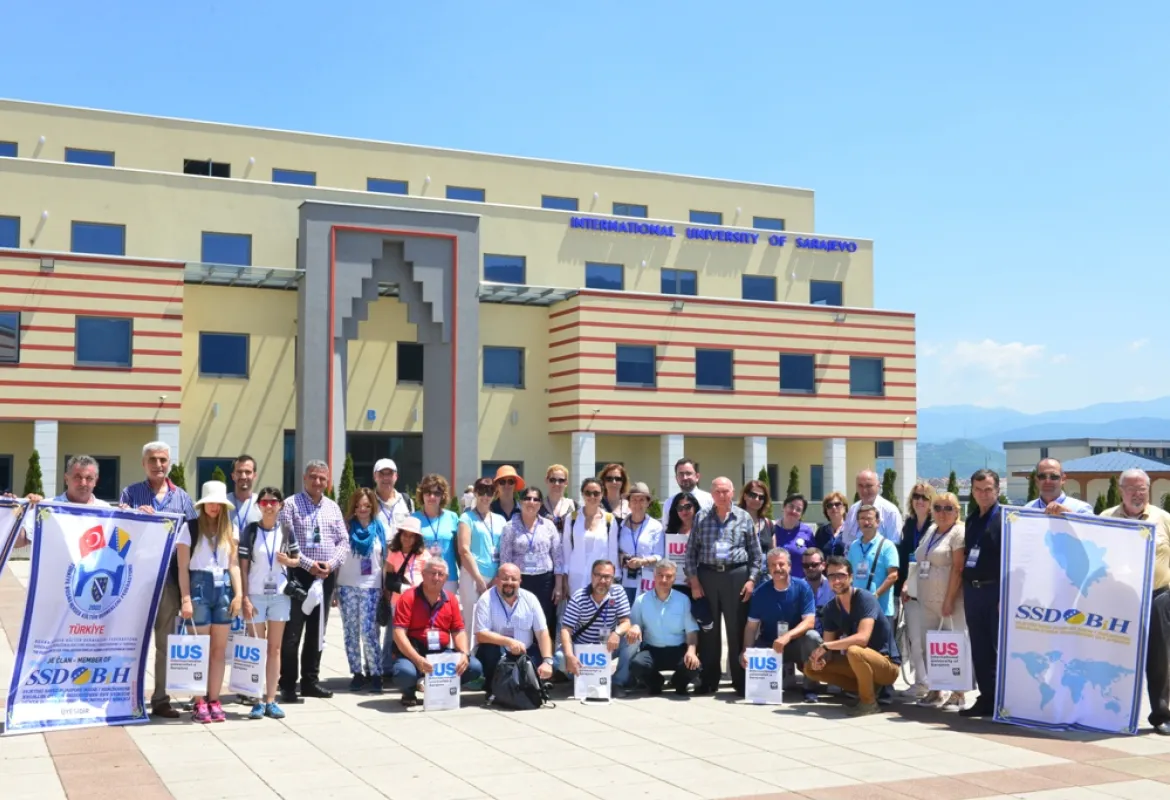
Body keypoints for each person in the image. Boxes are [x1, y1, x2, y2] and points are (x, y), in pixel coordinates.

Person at [119, 441, 198, 719]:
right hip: (136, 581)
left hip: (169, 581)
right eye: (152, 460)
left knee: (165, 644)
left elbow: (194, 538)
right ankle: (127, 698)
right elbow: (119, 531)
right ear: (144, 463)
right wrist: (133, 515)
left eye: (163, 460)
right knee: (132, 641)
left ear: (169, 463)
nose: (158, 465)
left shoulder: (183, 498)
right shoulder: (131, 493)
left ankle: (161, 699)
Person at [1101, 468, 1170, 735]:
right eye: (1131, 489)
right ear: (1121, 491)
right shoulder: (1106, 518)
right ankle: (1112, 713)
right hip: (1119, 599)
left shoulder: (1164, 519)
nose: (1137, 494)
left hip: (1158, 597)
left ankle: (1162, 714)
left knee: (1160, 659)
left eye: (1142, 489)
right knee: (1116, 657)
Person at [277, 460, 348, 704]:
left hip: (325, 576)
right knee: (293, 632)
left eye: (322, 478)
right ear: (304, 478)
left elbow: (343, 541)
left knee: (318, 632)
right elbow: (286, 541)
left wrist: (331, 564)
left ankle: (310, 681)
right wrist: (309, 565)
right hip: (299, 575)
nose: (318, 482)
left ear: (327, 481)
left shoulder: (332, 507)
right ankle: (287, 684)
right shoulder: (290, 505)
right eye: (313, 477)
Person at [685, 477, 765, 695]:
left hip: (736, 576)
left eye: (725, 491)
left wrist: (751, 580)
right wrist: (694, 580)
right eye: (717, 491)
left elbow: (756, 554)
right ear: (712, 494)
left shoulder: (744, 517)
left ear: (733, 493)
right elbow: (690, 552)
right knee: (708, 629)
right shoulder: (701, 517)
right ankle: (709, 680)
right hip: (707, 576)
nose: (721, 495)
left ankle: (740, 681)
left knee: (737, 628)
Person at [176, 481, 242, 723]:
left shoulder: (231, 529)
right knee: (199, 649)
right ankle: (199, 700)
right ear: (203, 505)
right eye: (210, 502)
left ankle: (214, 699)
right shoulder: (190, 528)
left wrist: (239, 594)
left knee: (218, 650)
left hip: (223, 588)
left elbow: (233, 565)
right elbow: (182, 568)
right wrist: (185, 599)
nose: (214, 507)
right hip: (199, 587)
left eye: (218, 503)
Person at [803, 556, 901, 716]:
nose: (836, 581)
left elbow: (862, 638)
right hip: (859, 663)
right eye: (832, 576)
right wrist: (819, 660)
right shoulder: (830, 608)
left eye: (841, 575)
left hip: (886, 665)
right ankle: (866, 688)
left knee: (854, 650)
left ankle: (868, 703)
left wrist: (826, 646)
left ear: (851, 577)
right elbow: (828, 649)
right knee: (810, 668)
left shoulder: (865, 598)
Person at [239, 486, 299, 720]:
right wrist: (244, 597)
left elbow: (297, 560)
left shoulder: (286, 530)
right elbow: (243, 567)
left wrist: (288, 561)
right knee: (256, 649)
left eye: (273, 502)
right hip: (255, 595)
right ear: (259, 506)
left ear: (281, 505)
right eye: (264, 502)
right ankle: (255, 699)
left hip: (280, 595)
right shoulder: (251, 531)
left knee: (274, 649)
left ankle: (271, 700)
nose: (269, 506)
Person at [390, 560, 483, 707]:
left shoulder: (451, 599)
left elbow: (458, 631)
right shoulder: (408, 597)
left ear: (446, 578)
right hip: (415, 651)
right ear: (423, 574)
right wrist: (417, 659)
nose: (436, 578)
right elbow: (398, 633)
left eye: (441, 574)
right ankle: (409, 691)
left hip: (441, 652)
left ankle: (440, 688)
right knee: (404, 673)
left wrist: (464, 654)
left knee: (474, 667)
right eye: (432, 573)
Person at [907, 491, 967, 709]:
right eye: (938, 508)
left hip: (949, 602)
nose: (942, 512)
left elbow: (958, 568)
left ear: (957, 511)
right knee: (930, 646)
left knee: (952, 647)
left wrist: (949, 600)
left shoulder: (959, 532)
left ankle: (958, 693)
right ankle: (935, 690)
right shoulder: (931, 530)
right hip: (926, 600)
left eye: (948, 508)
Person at [742, 549, 823, 703]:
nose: (777, 568)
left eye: (781, 564)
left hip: (795, 644)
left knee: (812, 637)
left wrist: (788, 636)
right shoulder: (760, 593)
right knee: (752, 665)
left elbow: (809, 622)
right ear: (768, 568)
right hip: (770, 645)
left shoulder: (802, 587)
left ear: (789, 566)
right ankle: (768, 687)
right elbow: (751, 627)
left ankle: (810, 688)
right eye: (773, 565)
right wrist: (745, 652)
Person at [959, 468, 1003, 717]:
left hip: (994, 591)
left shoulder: (1004, 519)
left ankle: (999, 699)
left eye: (988, 489)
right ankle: (986, 697)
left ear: (997, 490)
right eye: (978, 490)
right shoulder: (972, 519)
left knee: (996, 648)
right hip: (973, 592)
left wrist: (1004, 595)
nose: (983, 494)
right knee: (979, 647)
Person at [624, 560, 701, 695]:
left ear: (674, 578)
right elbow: (634, 624)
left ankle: (678, 682)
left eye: (669, 576)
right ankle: (656, 683)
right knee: (637, 665)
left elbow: (691, 632)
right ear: (654, 576)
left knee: (694, 666)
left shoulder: (683, 600)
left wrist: (692, 651)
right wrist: (634, 626)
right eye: (660, 575)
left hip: (677, 649)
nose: (664, 579)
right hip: (652, 649)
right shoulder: (641, 600)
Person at [499, 485, 564, 642]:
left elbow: (558, 556)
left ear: (540, 504)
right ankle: (522, 651)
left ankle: (544, 654)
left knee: (544, 619)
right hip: (520, 581)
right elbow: (505, 558)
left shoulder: (548, 526)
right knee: (521, 618)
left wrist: (558, 585)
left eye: (536, 499)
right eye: (527, 498)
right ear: (521, 502)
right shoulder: (510, 527)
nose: (531, 502)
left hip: (545, 581)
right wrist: (506, 582)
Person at [474, 563, 555, 687]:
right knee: (488, 650)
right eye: (505, 578)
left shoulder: (530, 598)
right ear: (496, 579)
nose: (509, 582)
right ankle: (493, 687)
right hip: (499, 653)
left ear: (520, 581)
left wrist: (547, 661)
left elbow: (542, 632)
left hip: (525, 652)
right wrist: (509, 642)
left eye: (514, 579)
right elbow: (481, 634)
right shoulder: (486, 599)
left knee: (541, 668)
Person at [338, 487, 386, 693]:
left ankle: (375, 672)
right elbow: (338, 556)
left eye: (366, 505)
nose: (362, 509)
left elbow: (384, 559)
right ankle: (357, 673)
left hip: (371, 586)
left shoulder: (379, 528)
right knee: (350, 631)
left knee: (368, 632)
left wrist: (385, 587)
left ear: (372, 506)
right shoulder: (346, 527)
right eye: (358, 506)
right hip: (346, 585)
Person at [13, 455, 110, 547]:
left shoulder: (107, 511)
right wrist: (15, 513)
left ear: (95, 481)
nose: (83, 483)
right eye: (77, 477)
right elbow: (18, 542)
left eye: (89, 478)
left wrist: (121, 517)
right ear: (66, 479)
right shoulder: (47, 509)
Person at [558, 559, 632, 677]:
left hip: (608, 647)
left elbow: (626, 622)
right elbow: (566, 630)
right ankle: (577, 677)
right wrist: (570, 655)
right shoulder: (579, 597)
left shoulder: (618, 592)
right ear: (592, 576)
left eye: (607, 577)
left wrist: (617, 633)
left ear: (613, 578)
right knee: (560, 658)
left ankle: (618, 681)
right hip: (582, 649)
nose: (602, 581)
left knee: (633, 640)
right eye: (598, 575)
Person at [898, 481, 935, 698]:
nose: (919, 501)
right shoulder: (909, 525)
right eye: (916, 496)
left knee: (930, 639)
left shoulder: (935, 525)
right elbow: (905, 558)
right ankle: (921, 682)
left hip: (930, 588)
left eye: (924, 497)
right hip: (910, 589)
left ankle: (934, 684)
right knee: (915, 639)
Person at [456, 477, 507, 634]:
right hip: (473, 577)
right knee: (472, 622)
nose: (486, 496)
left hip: (495, 578)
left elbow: (504, 550)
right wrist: (479, 580)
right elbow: (464, 550)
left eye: (490, 492)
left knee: (494, 622)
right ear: (476, 493)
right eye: (482, 492)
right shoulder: (466, 518)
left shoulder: (500, 520)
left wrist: (497, 578)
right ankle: (469, 650)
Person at [382, 517, 431, 673]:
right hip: (398, 601)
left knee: (416, 633)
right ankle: (387, 667)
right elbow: (389, 581)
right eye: (405, 534)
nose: (407, 539)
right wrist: (405, 589)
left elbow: (429, 578)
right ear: (400, 535)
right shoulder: (393, 553)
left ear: (417, 538)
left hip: (418, 601)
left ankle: (416, 663)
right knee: (394, 634)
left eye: (411, 536)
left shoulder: (424, 555)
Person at [562, 477, 618, 597]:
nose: (592, 496)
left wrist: (613, 578)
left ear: (602, 495)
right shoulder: (572, 518)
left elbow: (613, 552)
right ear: (583, 494)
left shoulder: (609, 519)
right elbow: (566, 549)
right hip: (576, 577)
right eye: (588, 493)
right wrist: (565, 577)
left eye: (596, 493)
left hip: (601, 578)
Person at [847, 504, 900, 626]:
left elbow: (893, 576)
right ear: (858, 522)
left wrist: (876, 595)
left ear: (877, 522)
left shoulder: (887, 546)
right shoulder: (854, 546)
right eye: (862, 518)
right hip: (859, 608)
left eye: (869, 518)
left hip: (881, 609)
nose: (866, 522)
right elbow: (849, 573)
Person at [617, 482, 665, 604]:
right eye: (634, 500)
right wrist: (621, 557)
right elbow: (614, 549)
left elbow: (660, 555)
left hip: (647, 581)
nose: (638, 503)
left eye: (642, 500)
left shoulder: (656, 526)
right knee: (625, 613)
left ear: (648, 503)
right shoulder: (620, 526)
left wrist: (643, 561)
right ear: (629, 503)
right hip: (625, 581)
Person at [413, 474, 461, 595]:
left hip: (448, 577)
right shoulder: (414, 518)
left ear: (443, 495)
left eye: (437, 493)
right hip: (422, 576)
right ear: (421, 494)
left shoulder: (452, 517)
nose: (432, 496)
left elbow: (458, 550)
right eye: (427, 492)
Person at [844, 470, 903, 548]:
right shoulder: (853, 510)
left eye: (869, 486)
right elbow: (846, 541)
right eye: (860, 486)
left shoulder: (890, 512)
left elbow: (894, 545)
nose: (864, 490)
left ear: (878, 486)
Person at [1026, 458, 1094, 515]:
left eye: (1054, 477)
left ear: (1063, 479)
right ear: (1036, 480)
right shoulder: (1026, 510)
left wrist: (1069, 515)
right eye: (1042, 476)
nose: (1047, 481)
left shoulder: (1081, 509)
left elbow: (1090, 527)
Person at [664, 491, 699, 599]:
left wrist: (694, 577)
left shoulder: (702, 529)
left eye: (688, 507)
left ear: (695, 507)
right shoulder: (670, 531)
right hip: (674, 584)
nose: (684, 511)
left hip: (697, 583)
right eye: (680, 508)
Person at [772, 494, 815, 580]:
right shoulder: (771, 528)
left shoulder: (807, 532)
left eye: (798, 509)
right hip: (775, 582)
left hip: (799, 583)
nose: (794, 511)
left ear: (801, 514)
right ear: (784, 507)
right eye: (791, 506)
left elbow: (812, 559)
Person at [661, 458, 714, 527]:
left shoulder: (710, 500)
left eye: (688, 473)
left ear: (697, 477)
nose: (685, 478)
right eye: (681, 474)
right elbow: (666, 529)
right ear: (676, 478)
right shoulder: (669, 503)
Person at [373, 458, 413, 531]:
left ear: (396, 476)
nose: (386, 478)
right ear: (375, 476)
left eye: (390, 473)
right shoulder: (369, 502)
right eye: (381, 474)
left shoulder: (406, 501)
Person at [539, 464, 576, 535]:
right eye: (552, 480)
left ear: (566, 483)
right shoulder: (538, 505)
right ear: (546, 480)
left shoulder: (574, 506)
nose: (556, 484)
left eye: (561, 480)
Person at [739, 480, 774, 555]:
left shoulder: (768, 524)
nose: (757, 499)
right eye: (753, 495)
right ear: (745, 496)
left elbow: (773, 553)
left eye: (761, 497)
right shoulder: (734, 520)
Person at [230, 455, 263, 533]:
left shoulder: (262, 503)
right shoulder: (224, 503)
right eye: (239, 472)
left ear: (254, 476)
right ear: (233, 476)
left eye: (248, 472)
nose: (243, 476)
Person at [814, 492, 849, 557]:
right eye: (829, 505)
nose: (834, 507)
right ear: (826, 511)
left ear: (844, 508)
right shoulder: (821, 531)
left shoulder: (850, 530)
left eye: (837, 504)